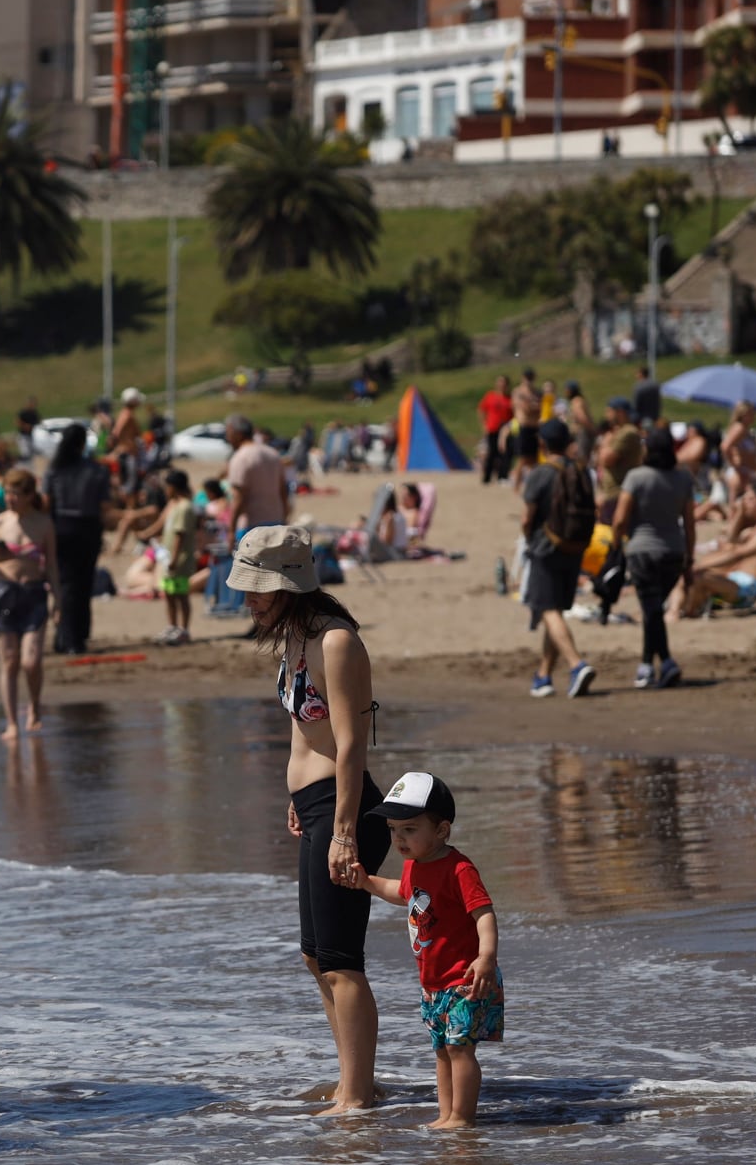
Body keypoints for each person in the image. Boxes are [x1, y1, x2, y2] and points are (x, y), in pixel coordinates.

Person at [226, 525, 391, 1116]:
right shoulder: (295, 637)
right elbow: (306, 733)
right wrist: (299, 798)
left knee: (343, 960)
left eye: (258, 591)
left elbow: (351, 746)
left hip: (347, 811)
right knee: (315, 956)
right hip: (317, 807)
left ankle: (357, 1096)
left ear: (290, 585)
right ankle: (356, 1080)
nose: (248, 602)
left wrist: (344, 832)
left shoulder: (335, 642)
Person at [343, 773, 503, 1130]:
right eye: (393, 829)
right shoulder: (414, 864)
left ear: (442, 830)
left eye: (410, 829)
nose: (399, 839)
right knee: (442, 1050)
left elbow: (484, 913)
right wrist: (367, 882)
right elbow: (404, 894)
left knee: (460, 1048)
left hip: (466, 976)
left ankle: (461, 1116)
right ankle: (445, 1114)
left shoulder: (459, 868)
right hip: (432, 981)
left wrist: (486, 957)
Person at [612, 426, 697, 688]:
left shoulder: (636, 478)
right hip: (673, 551)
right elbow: (690, 525)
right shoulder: (683, 479)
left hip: (642, 551)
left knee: (651, 611)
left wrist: (617, 547)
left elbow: (619, 520)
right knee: (653, 611)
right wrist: (689, 561)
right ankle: (652, 665)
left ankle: (661, 663)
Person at [520, 420, 598, 699]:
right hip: (575, 547)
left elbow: (527, 518)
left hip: (546, 546)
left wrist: (528, 539)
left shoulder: (540, 474)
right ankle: (543, 676)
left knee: (547, 609)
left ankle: (577, 665)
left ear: (542, 444)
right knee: (554, 611)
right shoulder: (581, 470)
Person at [0, 467, 57, 739]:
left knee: (31, 661)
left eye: (15, 494)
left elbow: (53, 566)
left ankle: (34, 706)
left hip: (34, 592)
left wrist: (57, 600)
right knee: (10, 661)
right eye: (8, 493)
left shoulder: (44, 524)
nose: (10, 498)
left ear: (29, 495)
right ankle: (12, 722)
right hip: (5, 593)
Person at [678, 479, 756, 616]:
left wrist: (698, 566)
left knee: (696, 576)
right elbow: (730, 539)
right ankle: (685, 610)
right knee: (692, 575)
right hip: (734, 579)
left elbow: (739, 553)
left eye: (750, 499)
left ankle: (685, 612)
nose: (745, 502)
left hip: (748, 588)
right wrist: (740, 512)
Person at [43, 424, 111, 654]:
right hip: (88, 527)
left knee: (66, 584)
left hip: (61, 526)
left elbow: (46, 503)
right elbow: (104, 507)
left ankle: (65, 635)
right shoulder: (97, 470)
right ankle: (77, 635)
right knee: (83, 583)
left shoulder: (55, 469)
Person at [154, 469, 198, 643]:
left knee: (181, 595)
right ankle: (172, 627)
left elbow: (180, 535)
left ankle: (184, 630)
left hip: (179, 560)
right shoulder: (175, 505)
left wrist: (174, 559)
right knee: (169, 594)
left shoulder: (185, 507)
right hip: (169, 558)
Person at [478, 375, 514, 487]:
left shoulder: (509, 399)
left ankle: (502, 476)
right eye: (499, 382)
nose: (501, 385)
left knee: (505, 454)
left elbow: (513, 414)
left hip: (505, 429)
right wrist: (484, 425)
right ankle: (487, 477)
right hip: (492, 428)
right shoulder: (490, 396)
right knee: (492, 453)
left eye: (503, 382)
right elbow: (481, 410)